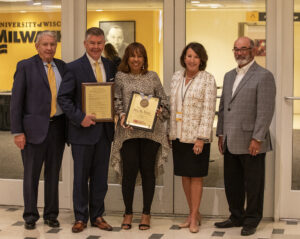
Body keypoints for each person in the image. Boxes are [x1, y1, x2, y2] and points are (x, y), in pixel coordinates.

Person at [215, 36, 276, 236]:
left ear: (253, 50)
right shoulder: (228, 76)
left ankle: (251, 220)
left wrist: (257, 138)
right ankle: (236, 216)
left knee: (254, 184)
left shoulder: (264, 76)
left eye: (243, 49)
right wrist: (221, 133)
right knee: (232, 182)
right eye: (236, 49)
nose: (239, 53)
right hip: (231, 139)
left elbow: (265, 110)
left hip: (252, 141)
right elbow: (224, 108)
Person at [57, 27, 116, 233]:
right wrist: (80, 117)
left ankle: (97, 215)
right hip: (82, 133)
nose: (96, 47)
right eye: (92, 43)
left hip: (104, 133)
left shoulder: (110, 66)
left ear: (103, 44)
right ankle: (80, 217)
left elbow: (113, 96)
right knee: (81, 177)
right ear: (85, 44)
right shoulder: (73, 68)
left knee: (101, 178)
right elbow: (63, 98)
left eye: (100, 43)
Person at [10, 31, 66, 230]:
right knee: (31, 174)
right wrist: (17, 132)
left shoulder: (62, 66)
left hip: (58, 128)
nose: (49, 48)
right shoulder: (25, 66)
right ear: (37, 46)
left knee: (53, 173)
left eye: (52, 44)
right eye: (45, 44)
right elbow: (16, 102)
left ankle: (51, 214)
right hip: (32, 130)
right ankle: (30, 215)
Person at [110, 42, 170, 230]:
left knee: (148, 172)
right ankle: (128, 212)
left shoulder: (153, 77)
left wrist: (160, 109)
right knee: (128, 173)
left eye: (140, 56)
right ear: (127, 58)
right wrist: (121, 114)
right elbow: (116, 100)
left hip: (151, 134)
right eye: (133, 56)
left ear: (144, 59)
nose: (136, 60)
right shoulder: (120, 77)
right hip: (128, 133)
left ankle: (146, 213)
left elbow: (164, 101)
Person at [168, 42, 217, 233]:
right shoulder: (176, 77)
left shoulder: (207, 79)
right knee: (184, 175)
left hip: (196, 137)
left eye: (196, 56)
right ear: (184, 58)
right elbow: (172, 105)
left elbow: (208, 110)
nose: (192, 60)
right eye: (189, 56)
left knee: (196, 176)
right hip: (178, 134)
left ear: (201, 60)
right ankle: (192, 213)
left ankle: (194, 217)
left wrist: (201, 138)